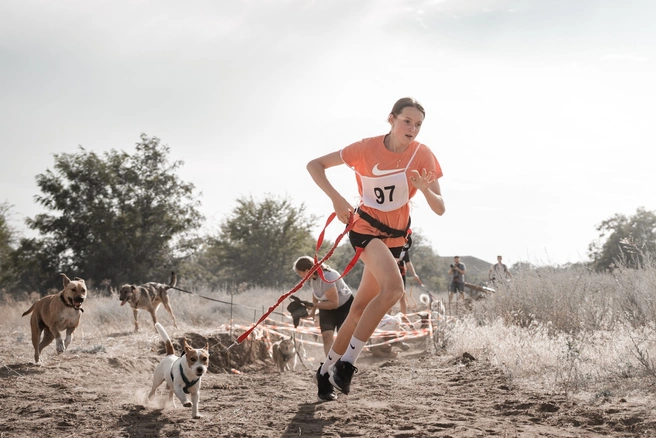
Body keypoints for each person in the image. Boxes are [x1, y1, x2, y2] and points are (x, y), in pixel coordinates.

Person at [306, 97, 445, 400]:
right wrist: (337, 199)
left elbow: (440, 208)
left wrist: (423, 189)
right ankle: (347, 364)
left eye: (418, 124)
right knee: (394, 289)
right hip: (366, 230)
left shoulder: (423, 155)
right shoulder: (365, 148)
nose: (412, 129)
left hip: (395, 240)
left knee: (357, 311)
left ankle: (325, 371)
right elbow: (314, 165)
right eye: (407, 121)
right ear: (391, 119)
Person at [293, 256, 354, 358]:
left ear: (307, 270)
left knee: (343, 338)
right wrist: (312, 311)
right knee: (326, 337)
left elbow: (334, 303)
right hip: (326, 305)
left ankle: (345, 362)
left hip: (344, 307)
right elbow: (315, 293)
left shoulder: (327, 278)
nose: (300, 276)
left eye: (300, 273)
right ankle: (330, 363)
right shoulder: (312, 278)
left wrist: (314, 305)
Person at [396, 230, 420, 315]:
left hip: (400, 272)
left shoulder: (405, 249)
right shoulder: (390, 244)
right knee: (388, 295)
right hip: (390, 271)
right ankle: (386, 316)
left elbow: (408, 263)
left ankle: (404, 317)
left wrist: (414, 274)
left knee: (402, 295)